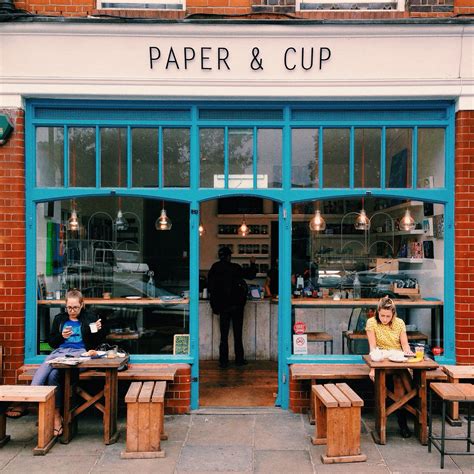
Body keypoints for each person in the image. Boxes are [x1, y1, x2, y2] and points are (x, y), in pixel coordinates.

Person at [6, 289, 103, 436]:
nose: (72, 310)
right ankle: (34, 403)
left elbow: (97, 342)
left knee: (53, 376)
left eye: (75, 307)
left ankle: (51, 414)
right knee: (46, 373)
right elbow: (52, 343)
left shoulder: (89, 318)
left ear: (82, 305)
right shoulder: (60, 319)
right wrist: (61, 336)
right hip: (59, 353)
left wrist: (97, 331)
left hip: (80, 355)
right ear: (65, 305)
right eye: (69, 307)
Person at [366, 295, 415, 438]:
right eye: (382, 315)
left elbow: (404, 344)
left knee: (399, 379)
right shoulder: (372, 323)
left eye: (388, 316)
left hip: (397, 358)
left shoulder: (399, 323)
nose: (385, 319)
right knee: (401, 377)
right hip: (380, 358)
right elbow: (373, 348)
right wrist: (373, 368)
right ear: (378, 312)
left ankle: (403, 420)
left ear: (393, 314)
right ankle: (415, 407)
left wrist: (408, 352)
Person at [207, 247, 257, 368]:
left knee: (223, 336)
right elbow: (250, 275)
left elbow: (211, 288)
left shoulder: (215, 268)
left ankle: (223, 361)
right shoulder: (235, 267)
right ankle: (239, 359)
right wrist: (252, 264)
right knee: (237, 334)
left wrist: (214, 306)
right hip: (237, 306)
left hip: (223, 307)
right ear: (229, 256)